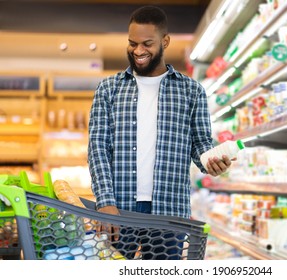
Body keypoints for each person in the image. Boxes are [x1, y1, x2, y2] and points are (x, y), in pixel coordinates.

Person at [88, 5, 232, 259]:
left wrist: (211, 162)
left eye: (147, 43)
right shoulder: (108, 89)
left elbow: (199, 144)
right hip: (119, 208)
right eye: (132, 43)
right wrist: (105, 202)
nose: (138, 51)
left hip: (170, 209)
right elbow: (97, 148)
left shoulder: (191, 91)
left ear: (165, 41)